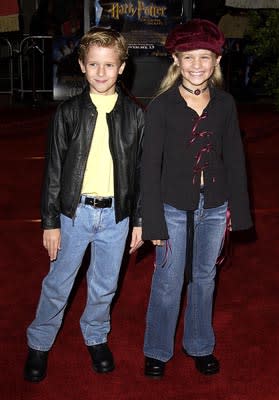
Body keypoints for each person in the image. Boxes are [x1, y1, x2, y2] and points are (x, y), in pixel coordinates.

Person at [24, 27, 144, 382]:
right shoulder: (68, 113)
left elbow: (141, 173)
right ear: (82, 65)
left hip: (116, 216)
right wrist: (50, 222)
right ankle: (40, 342)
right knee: (59, 281)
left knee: (105, 283)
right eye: (94, 64)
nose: (102, 72)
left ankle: (95, 335)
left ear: (122, 67)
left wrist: (139, 220)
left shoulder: (136, 116)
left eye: (109, 65)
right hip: (73, 213)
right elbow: (54, 170)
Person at [141, 19, 252, 378]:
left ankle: (200, 345)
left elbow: (235, 157)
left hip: (216, 204)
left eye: (204, 57)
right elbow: (149, 168)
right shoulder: (160, 107)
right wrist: (152, 221)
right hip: (172, 205)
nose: (196, 66)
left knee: (205, 278)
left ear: (217, 61)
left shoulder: (225, 104)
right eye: (188, 58)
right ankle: (157, 349)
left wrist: (241, 211)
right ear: (176, 60)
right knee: (168, 279)